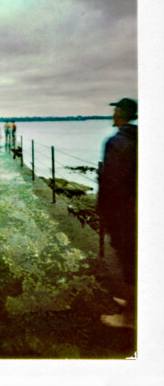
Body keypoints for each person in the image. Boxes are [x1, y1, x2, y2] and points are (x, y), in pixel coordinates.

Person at [98, 98, 138, 329]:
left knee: (128, 261)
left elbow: (111, 184)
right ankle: (133, 302)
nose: (112, 114)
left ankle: (129, 317)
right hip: (136, 208)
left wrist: (104, 212)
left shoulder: (117, 142)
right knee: (133, 260)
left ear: (121, 113)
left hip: (123, 213)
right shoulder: (138, 137)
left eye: (115, 110)